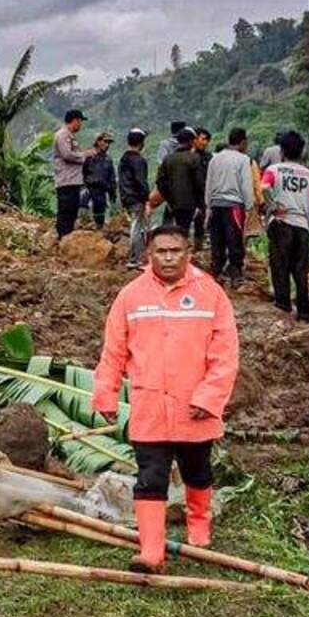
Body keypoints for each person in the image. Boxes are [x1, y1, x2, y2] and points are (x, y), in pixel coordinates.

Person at [91, 224, 239, 571]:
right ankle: (151, 552)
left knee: (197, 472)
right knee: (150, 477)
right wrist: (105, 395)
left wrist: (209, 398)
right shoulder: (130, 296)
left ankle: (198, 525)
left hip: (195, 409)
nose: (169, 258)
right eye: (161, 251)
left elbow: (225, 354)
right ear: (149, 255)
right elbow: (113, 352)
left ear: (189, 253)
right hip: (150, 407)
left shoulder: (211, 294)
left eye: (175, 251)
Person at [262, 131, 309, 322]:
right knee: (300, 270)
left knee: (280, 266)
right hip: (302, 225)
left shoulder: (274, 170)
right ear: (301, 151)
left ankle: (283, 305)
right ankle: (304, 312)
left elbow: (264, 188)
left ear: (282, 150)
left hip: (281, 223)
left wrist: (272, 207)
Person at [204, 128, 255, 283]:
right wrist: (249, 206)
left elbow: (209, 183)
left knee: (217, 240)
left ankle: (216, 271)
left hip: (215, 204)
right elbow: (246, 184)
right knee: (235, 240)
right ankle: (235, 272)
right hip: (234, 205)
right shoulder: (243, 159)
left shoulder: (215, 159)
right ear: (243, 142)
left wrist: (208, 205)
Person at [52, 109, 98, 239]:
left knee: (72, 212)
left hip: (73, 181)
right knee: (66, 212)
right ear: (75, 120)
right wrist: (84, 155)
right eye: (80, 121)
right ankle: (63, 238)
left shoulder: (70, 136)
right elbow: (67, 155)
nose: (81, 125)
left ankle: (67, 238)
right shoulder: (63, 135)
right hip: (66, 181)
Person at [147, 128, 199, 230]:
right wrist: (200, 202)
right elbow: (199, 182)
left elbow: (160, 182)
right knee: (184, 228)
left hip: (173, 202)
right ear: (191, 142)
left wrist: (168, 197)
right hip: (190, 203)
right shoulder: (195, 158)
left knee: (175, 226)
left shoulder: (168, 159)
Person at [117, 128, 150, 269]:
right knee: (137, 226)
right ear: (141, 142)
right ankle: (134, 259)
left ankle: (136, 257)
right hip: (136, 198)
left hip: (126, 197)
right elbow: (141, 181)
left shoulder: (123, 158)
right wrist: (146, 199)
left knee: (135, 225)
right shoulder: (138, 160)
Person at [82, 132, 116, 230]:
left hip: (102, 194)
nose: (107, 145)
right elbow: (80, 173)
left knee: (100, 221)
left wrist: (112, 195)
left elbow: (112, 178)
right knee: (85, 222)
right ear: (98, 141)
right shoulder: (88, 156)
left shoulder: (108, 160)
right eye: (105, 142)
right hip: (88, 193)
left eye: (109, 143)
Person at [190, 127, 212, 247]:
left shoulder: (208, 157)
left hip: (204, 193)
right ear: (195, 139)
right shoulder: (188, 156)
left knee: (202, 221)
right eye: (203, 139)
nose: (205, 142)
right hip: (189, 194)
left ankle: (198, 245)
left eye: (207, 140)